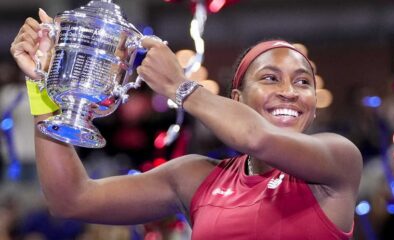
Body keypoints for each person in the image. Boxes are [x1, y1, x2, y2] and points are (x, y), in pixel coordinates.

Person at [10, 9, 363, 239]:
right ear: (237, 100)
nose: (289, 92)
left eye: (304, 83)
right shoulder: (196, 178)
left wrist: (178, 86)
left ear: (313, 107)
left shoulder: (338, 160)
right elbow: (71, 199)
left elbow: (254, 137)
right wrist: (41, 85)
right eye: (270, 78)